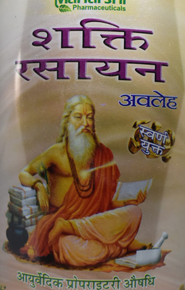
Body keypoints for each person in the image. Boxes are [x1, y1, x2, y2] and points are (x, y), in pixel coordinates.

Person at [19, 95, 148, 267]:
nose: (85, 123)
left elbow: (102, 204)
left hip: (91, 224)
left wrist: (126, 202)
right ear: (67, 121)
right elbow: (24, 173)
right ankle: (119, 246)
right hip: (61, 223)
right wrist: (38, 186)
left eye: (90, 118)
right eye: (78, 117)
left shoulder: (101, 154)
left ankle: (73, 228)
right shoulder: (57, 153)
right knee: (72, 249)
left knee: (134, 212)